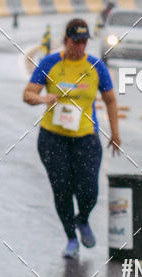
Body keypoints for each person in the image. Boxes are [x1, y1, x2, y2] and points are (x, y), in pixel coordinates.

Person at [23, 19, 121, 260]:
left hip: (85, 137)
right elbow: (28, 93)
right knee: (62, 189)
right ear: (65, 40)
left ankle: (83, 219)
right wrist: (42, 99)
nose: (79, 47)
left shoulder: (96, 66)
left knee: (89, 190)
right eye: (75, 42)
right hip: (52, 138)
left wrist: (115, 133)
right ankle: (71, 238)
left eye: (84, 42)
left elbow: (110, 100)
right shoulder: (50, 63)